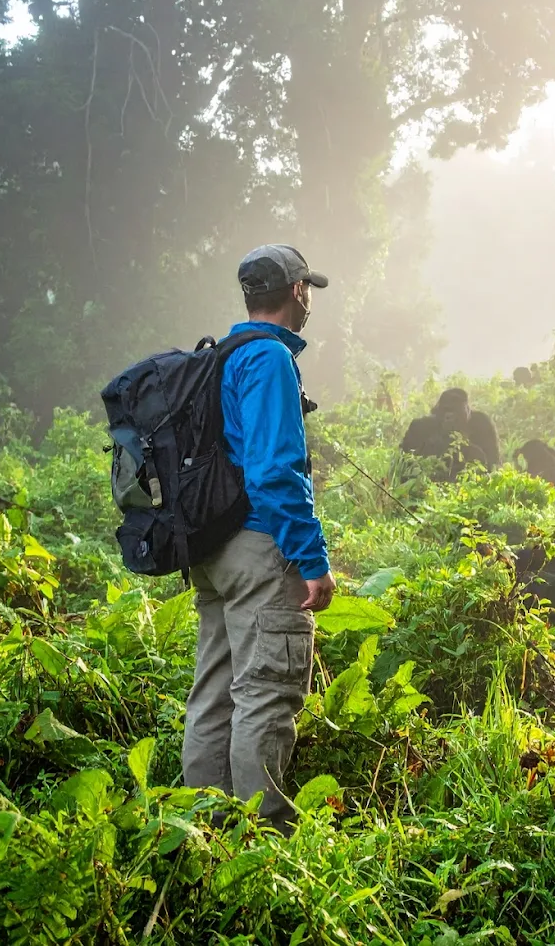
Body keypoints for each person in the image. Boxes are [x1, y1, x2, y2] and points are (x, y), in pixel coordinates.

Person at [181, 243, 336, 833]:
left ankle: (202, 832)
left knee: (216, 692)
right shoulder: (270, 358)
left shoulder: (223, 354)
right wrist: (310, 559)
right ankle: (261, 847)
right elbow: (273, 470)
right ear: (298, 292)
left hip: (214, 550)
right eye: (308, 291)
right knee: (267, 692)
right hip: (257, 548)